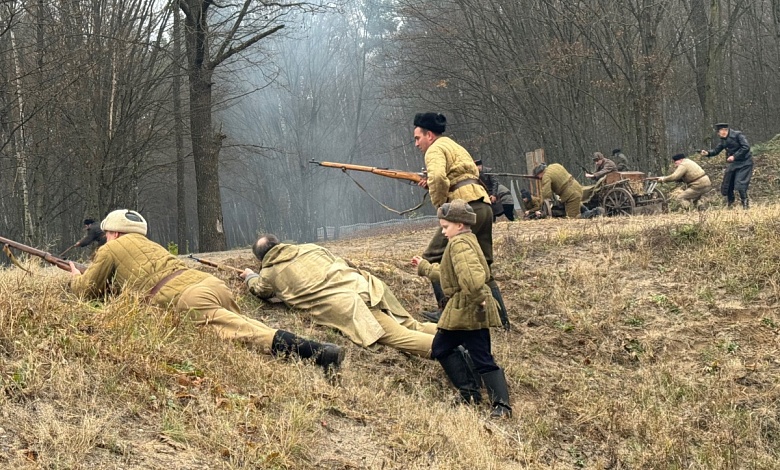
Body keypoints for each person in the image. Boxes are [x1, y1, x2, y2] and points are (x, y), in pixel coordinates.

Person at [68, 209, 343, 374]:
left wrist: (73, 277)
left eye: (108, 234)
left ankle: (318, 353)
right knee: (248, 326)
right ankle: (310, 350)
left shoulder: (111, 248)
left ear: (113, 233)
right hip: (209, 284)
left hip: (188, 299)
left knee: (251, 335)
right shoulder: (153, 246)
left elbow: (86, 291)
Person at [243, 235, 437, 358]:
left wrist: (250, 276)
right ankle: (462, 336)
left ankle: (454, 349)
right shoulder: (311, 247)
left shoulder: (269, 273)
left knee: (400, 337)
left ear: (261, 258)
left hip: (352, 305)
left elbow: (260, 290)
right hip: (368, 287)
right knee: (413, 325)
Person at [411, 200, 511, 418]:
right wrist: (425, 267)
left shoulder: (459, 244)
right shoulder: (467, 240)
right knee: (478, 354)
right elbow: (450, 274)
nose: (443, 232)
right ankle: (486, 399)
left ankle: (484, 399)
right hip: (468, 309)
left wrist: (477, 297)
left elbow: (471, 275)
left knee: (444, 348)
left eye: (445, 227)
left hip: (467, 310)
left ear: (458, 224)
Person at [412, 113, 509, 330]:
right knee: (484, 264)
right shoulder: (454, 146)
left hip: (463, 208)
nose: (417, 143)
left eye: (418, 138)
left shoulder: (435, 149)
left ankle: (444, 312)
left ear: (429, 135)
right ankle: (502, 321)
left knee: (431, 258)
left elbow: (438, 178)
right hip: (482, 206)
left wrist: (442, 209)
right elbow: (462, 175)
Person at [700, 123, 753, 209]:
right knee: (727, 183)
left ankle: (745, 205)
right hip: (733, 164)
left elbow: (746, 147)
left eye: (721, 131)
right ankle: (730, 203)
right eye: (720, 132)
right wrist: (707, 153)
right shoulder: (723, 140)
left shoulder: (738, 135)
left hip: (745, 162)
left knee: (740, 184)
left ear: (726, 130)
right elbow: (716, 150)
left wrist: (734, 156)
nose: (720, 133)